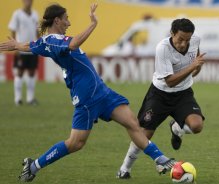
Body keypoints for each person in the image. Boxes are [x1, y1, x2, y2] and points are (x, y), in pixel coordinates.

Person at [0, 3, 176, 182]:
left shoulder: (47, 41)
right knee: (75, 143)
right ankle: (33, 166)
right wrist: (93, 23)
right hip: (86, 98)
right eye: (66, 19)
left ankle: (160, 159)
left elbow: (30, 46)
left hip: (102, 91)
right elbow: (74, 43)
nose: (68, 23)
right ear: (57, 20)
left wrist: (16, 44)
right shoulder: (53, 40)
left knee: (132, 123)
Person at [117, 18, 206, 179]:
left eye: (187, 40)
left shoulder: (195, 41)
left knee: (197, 126)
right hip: (160, 95)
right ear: (172, 33)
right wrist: (192, 67)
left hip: (183, 94)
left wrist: (195, 68)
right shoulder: (163, 48)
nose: (184, 44)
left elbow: (196, 63)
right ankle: (125, 169)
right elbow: (170, 81)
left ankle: (177, 128)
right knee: (144, 135)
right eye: (180, 39)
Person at [8, 0, 39, 105]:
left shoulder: (35, 14)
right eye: (26, 0)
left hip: (32, 48)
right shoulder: (17, 14)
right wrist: (15, 47)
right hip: (21, 48)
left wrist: (39, 46)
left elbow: (37, 32)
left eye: (30, 0)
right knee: (20, 72)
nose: (28, 2)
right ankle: (18, 99)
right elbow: (13, 30)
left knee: (31, 72)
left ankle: (30, 99)